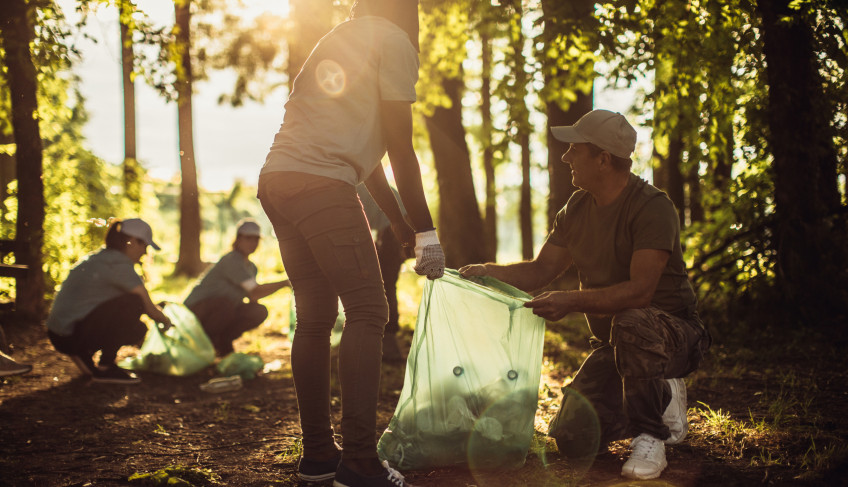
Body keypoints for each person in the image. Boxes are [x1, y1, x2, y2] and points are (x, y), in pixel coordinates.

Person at [460, 109, 711, 480]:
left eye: (574, 149)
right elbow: (540, 271)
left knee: (631, 321)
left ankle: (651, 434)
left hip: (673, 335)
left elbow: (640, 293)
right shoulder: (575, 209)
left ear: (603, 159)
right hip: (614, 344)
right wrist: (487, 273)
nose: (565, 157)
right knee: (574, 438)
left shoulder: (652, 207)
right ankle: (662, 396)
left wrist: (571, 301)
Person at [257, 0, 444, 485]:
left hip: (278, 179)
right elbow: (400, 148)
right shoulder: (394, 39)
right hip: (321, 184)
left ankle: (319, 456)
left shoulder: (340, 36)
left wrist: (401, 225)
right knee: (368, 311)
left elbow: (371, 154)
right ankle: (359, 462)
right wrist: (426, 229)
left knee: (316, 318)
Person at [46, 218, 172, 385]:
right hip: (69, 335)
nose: (145, 252)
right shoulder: (119, 265)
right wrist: (168, 322)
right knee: (134, 302)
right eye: (145, 246)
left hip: (60, 332)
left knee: (138, 327)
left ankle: (84, 356)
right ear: (131, 242)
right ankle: (104, 366)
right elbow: (147, 306)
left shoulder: (103, 257)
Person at [184, 218, 290, 357]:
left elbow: (252, 296)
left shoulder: (251, 267)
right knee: (225, 305)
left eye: (256, 239)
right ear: (238, 239)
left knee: (257, 311)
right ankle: (207, 343)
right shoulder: (232, 260)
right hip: (196, 311)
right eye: (248, 238)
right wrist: (285, 283)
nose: (253, 243)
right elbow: (255, 291)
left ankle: (223, 342)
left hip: (220, 311)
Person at [355, 184, 414, 363]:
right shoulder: (351, 176)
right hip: (394, 225)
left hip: (394, 228)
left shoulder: (349, 180)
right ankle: (382, 339)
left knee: (386, 284)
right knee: (384, 284)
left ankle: (388, 341)